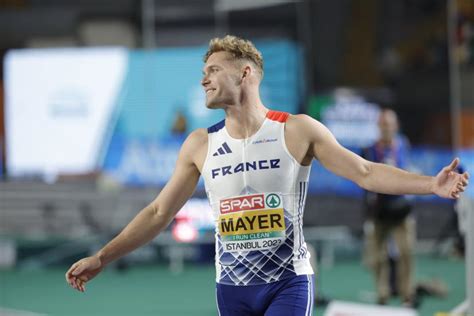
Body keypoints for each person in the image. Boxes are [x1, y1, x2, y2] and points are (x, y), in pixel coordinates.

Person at [65, 35, 470, 316]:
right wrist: (103, 257)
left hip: (288, 283)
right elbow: (158, 213)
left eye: (213, 69)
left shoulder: (296, 130)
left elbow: (364, 172)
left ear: (244, 73)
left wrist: (430, 185)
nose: (203, 79)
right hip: (232, 289)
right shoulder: (199, 144)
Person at [363, 109, 415, 306]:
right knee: (378, 257)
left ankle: (407, 294)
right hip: (379, 211)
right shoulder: (369, 150)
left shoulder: (403, 146)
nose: (386, 128)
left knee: (406, 252)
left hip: (401, 209)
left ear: (396, 126)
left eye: (389, 124)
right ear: (379, 126)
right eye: (383, 124)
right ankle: (382, 294)